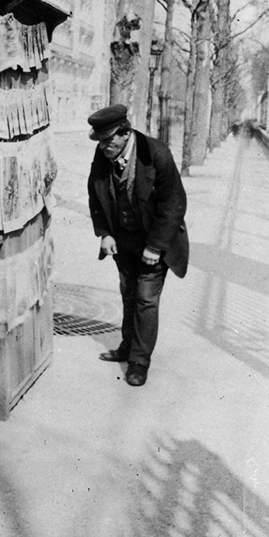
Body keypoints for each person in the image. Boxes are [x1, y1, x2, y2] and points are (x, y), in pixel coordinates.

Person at [87, 103, 188, 387]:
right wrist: (105, 233)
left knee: (145, 298)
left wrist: (155, 246)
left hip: (155, 239)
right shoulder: (103, 154)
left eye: (108, 140)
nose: (104, 146)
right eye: (100, 140)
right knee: (128, 294)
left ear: (126, 132)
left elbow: (174, 204)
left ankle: (139, 362)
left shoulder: (155, 154)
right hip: (123, 239)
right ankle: (127, 347)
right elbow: (95, 192)